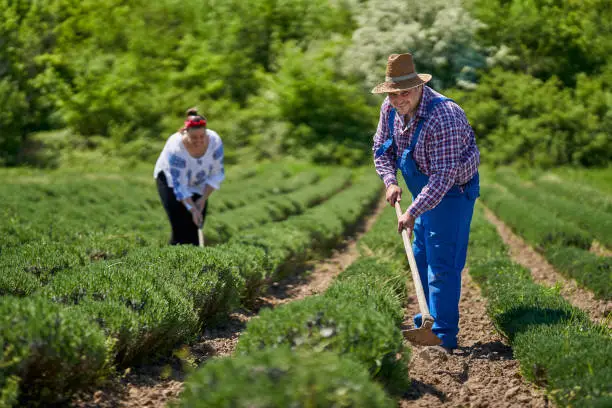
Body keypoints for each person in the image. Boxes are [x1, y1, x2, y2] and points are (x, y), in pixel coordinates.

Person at [372, 53, 480, 353]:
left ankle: (443, 338)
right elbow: (381, 150)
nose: (397, 100)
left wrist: (411, 212)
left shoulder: (444, 116)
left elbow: (444, 178)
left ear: (419, 87)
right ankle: (425, 323)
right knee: (420, 256)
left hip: (452, 193)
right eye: (392, 94)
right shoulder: (390, 108)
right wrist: (390, 181)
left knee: (442, 265)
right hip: (424, 191)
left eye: (404, 93)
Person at [154, 107, 225, 245]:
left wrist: (203, 199)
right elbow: (179, 184)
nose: (198, 141)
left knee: (196, 226)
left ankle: (194, 262)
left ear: (206, 133)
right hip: (170, 182)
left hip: (198, 181)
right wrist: (192, 208)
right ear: (185, 133)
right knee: (180, 227)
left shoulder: (215, 141)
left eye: (202, 136)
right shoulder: (176, 148)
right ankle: (173, 261)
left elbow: (217, 173)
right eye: (194, 137)